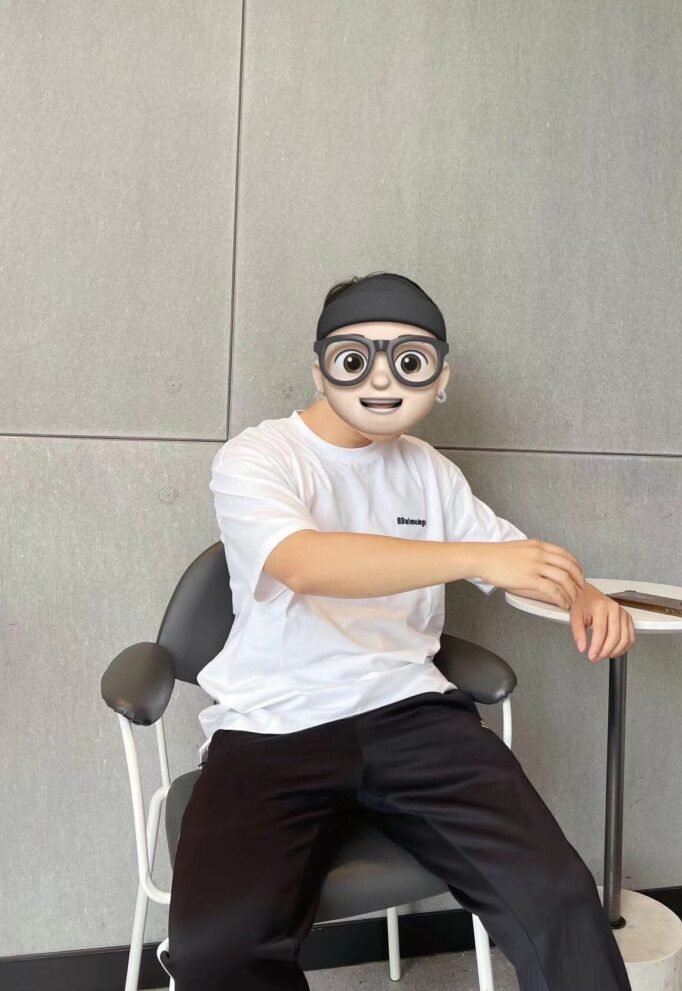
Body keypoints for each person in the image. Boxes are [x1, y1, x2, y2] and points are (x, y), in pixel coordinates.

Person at [164, 271, 635, 990]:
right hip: (272, 724)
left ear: (440, 378)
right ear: (320, 367)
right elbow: (305, 562)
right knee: (217, 949)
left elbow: (513, 556)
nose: (382, 379)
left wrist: (585, 594)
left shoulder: (429, 471)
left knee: (560, 897)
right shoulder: (258, 457)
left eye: (408, 360)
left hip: (412, 715)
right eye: (357, 358)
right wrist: (475, 558)